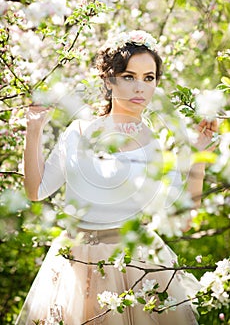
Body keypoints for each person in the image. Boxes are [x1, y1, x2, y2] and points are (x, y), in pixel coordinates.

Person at [16, 30, 218, 325]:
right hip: (75, 265)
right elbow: (36, 191)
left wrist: (199, 154)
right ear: (109, 81)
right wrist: (33, 129)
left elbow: (185, 219)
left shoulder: (161, 142)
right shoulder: (79, 132)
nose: (140, 87)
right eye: (128, 76)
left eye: (149, 78)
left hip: (138, 264)